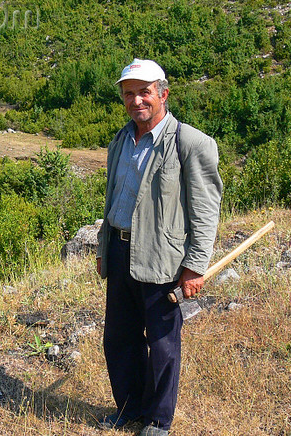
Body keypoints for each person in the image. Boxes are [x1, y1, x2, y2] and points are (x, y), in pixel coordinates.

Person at [96, 58, 222, 435]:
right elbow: (113, 198)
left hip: (162, 257)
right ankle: (131, 408)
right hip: (119, 253)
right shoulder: (121, 140)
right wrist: (104, 248)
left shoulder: (191, 143)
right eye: (129, 94)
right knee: (119, 337)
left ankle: (157, 420)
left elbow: (205, 208)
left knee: (163, 344)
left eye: (144, 92)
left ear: (163, 94)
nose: (137, 101)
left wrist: (196, 265)